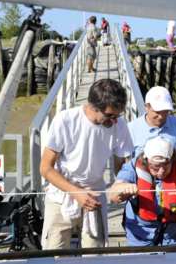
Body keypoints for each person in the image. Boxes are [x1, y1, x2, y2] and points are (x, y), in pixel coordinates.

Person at [40, 79, 133, 249]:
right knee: (53, 256)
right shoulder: (65, 120)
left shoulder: (119, 125)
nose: (114, 121)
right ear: (93, 106)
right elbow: (45, 168)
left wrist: (121, 184)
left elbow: (123, 164)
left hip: (95, 193)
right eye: (110, 116)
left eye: (117, 115)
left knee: (96, 255)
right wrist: (76, 192)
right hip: (61, 194)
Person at [128, 86, 176, 157]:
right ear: (147, 107)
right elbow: (126, 159)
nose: (161, 116)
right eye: (157, 112)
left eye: (165, 111)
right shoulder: (131, 129)